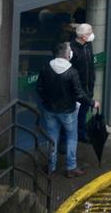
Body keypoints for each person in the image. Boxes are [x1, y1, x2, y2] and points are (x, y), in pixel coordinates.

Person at [36, 41, 98, 177]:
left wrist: (46, 101)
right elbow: (79, 93)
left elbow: (39, 88)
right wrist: (92, 103)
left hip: (50, 110)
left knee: (52, 137)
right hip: (68, 111)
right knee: (72, 137)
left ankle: (51, 167)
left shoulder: (46, 68)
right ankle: (71, 168)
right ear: (67, 54)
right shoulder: (72, 72)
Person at [69, 23, 97, 144]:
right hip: (76, 90)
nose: (92, 35)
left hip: (87, 87)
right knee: (72, 116)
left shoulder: (88, 45)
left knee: (83, 113)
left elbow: (90, 64)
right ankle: (70, 138)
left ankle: (81, 134)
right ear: (83, 37)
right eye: (90, 33)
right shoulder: (71, 50)